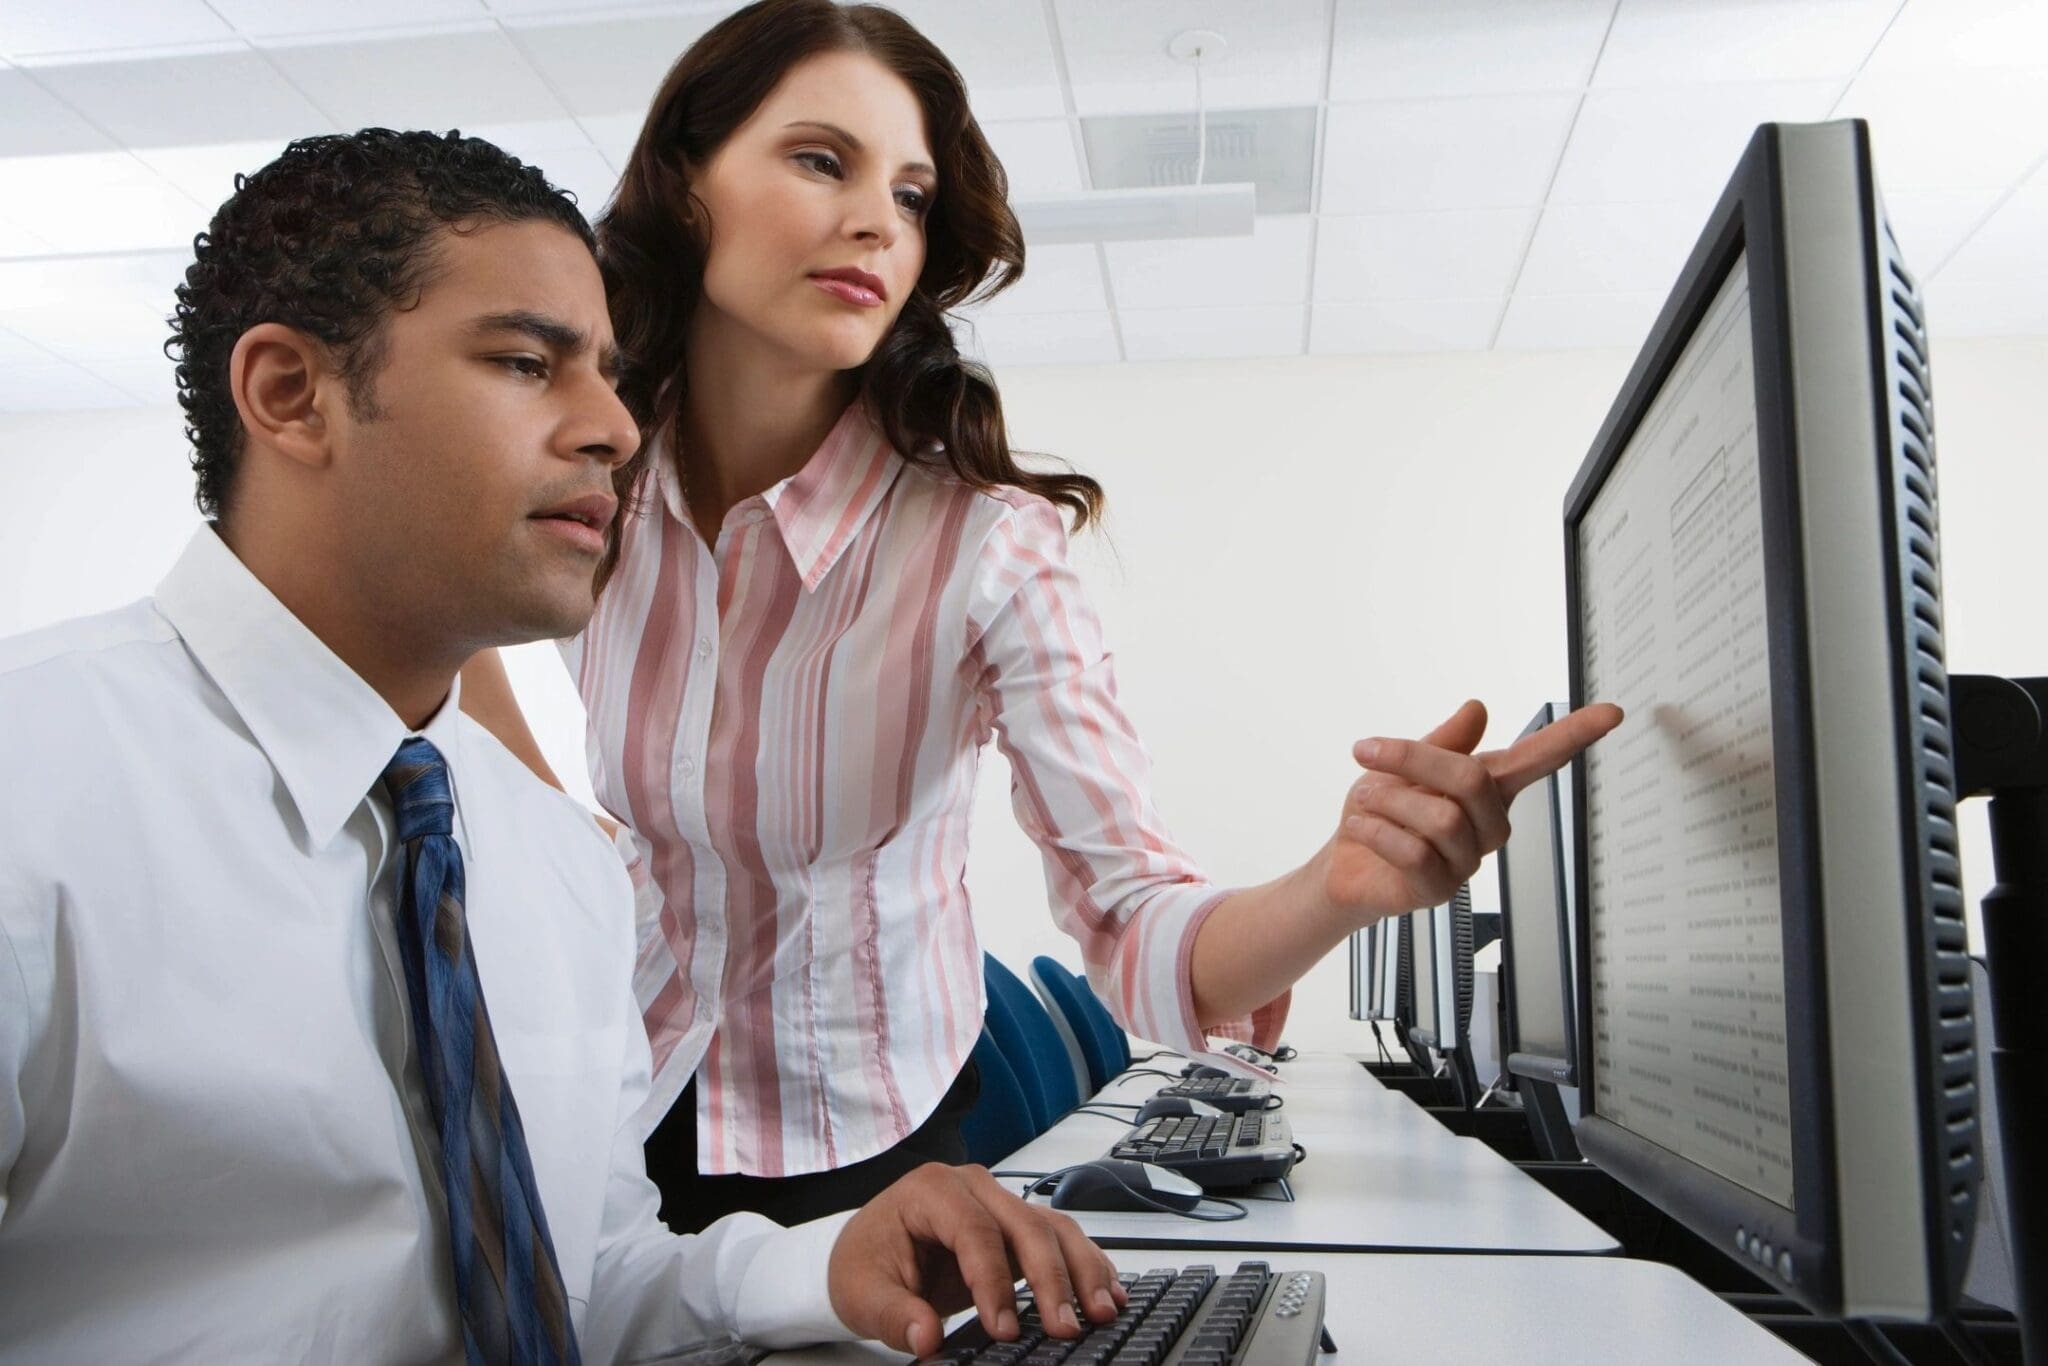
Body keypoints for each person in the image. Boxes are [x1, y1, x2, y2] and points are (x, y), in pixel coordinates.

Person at [461, 0, 1622, 1233]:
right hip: (613, 1097)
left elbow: (1135, 929)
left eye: (910, 197)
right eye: (820, 160)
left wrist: (1338, 887)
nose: (875, 221)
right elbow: (451, 611)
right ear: (683, 180)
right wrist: (554, 821)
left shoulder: (984, 548)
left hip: (861, 1153)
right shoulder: (600, 467)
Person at [0, 128, 1124, 1364]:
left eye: (606, 371)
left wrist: (822, 1258)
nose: (615, 428)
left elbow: (584, 1273)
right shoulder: (32, 790)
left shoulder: (557, 864)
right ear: (288, 394)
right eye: (528, 363)